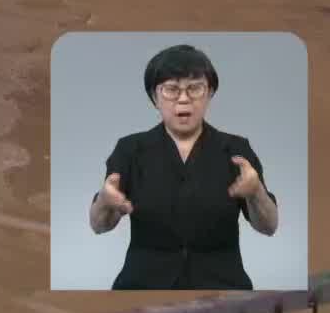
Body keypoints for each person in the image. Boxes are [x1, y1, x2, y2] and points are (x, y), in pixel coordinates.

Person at [90, 44, 278, 290]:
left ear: (210, 92)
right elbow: (98, 226)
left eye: (195, 88)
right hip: (143, 285)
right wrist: (105, 201)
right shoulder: (130, 149)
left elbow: (269, 226)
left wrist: (256, 193)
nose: (183, 98)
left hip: (222, 286)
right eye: (171, 89)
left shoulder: (236, 149)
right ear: (154, 97)